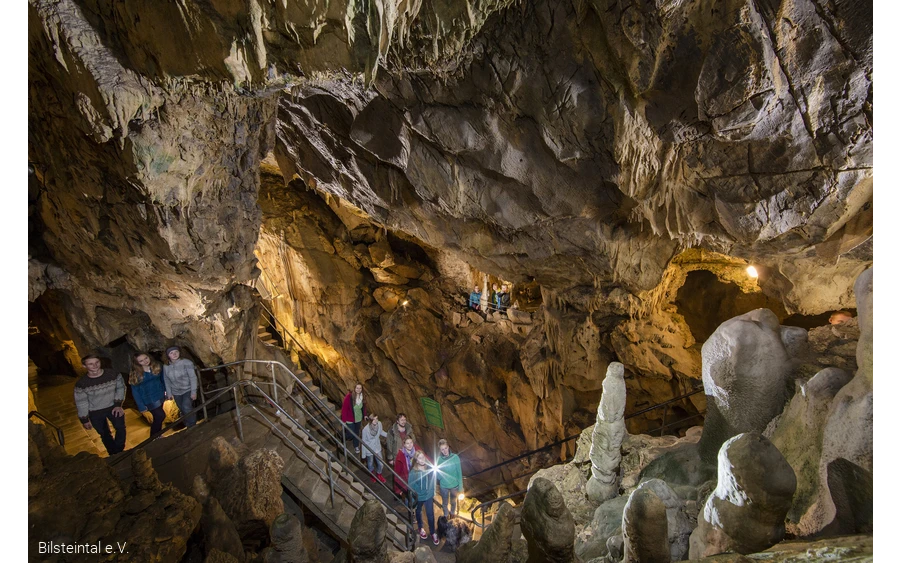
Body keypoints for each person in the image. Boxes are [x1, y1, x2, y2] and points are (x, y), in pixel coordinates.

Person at [74, 354, 127, 455]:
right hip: (95, 412)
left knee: (120, 428)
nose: (95, 366)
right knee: (104, 434)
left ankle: (119, 450)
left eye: (97, 362)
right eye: (90, 364)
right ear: (84, 366)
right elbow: (81, 402)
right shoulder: (82, 384)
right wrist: (84, 419)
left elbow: (120, 388)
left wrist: (118, 404)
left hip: (113, 407)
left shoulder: (113, 374)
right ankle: (113, 453)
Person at [129, 352, 168, 437]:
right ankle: (154, 436)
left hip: (160, 394)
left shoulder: (156, 366)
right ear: (137, 363)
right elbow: (135, 391)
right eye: (141, 361)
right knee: (160, 416)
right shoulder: (136, 374)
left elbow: (163, 379)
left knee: (158, 417)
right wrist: (141, 406)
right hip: (149, 399)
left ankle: (158, 434)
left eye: (146, 358)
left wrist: (167, 391)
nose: (145, 361)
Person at [408, 450, 439, 545]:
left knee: (430, 514)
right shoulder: (413, 472)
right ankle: (421, 528)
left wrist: (432, 491)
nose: (422, 460)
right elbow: (410, 486)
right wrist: (413, 500)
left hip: (428, 495)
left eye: (423, 457)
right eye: (420, 458)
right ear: (416, 460)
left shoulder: (429, 468)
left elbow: (433, 479)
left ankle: (433, 532)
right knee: (418, 512)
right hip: (418, 497)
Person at [163, 346, 198, 428]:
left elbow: (193, 377)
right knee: (182, 409)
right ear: (168, 355)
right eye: (171, 353)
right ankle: (187, 424)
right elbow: (166, 379)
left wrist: (193, 391)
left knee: (186, 407)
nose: (174, 354)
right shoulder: (166, 366)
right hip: (176, 391)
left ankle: (192, 425)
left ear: (180, 352)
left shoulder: (187, 363)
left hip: (187, 389)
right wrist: (169, 393)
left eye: (176, 352)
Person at [436, 439, 464, 518]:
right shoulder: (439, 460)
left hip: (454, 485)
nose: (444, 451)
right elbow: (437, 475)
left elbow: (459, 473)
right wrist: (440, 476)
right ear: (440, 450)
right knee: (445, 503)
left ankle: (452, 515)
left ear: (448, 447)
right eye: (442, 449)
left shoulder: (455, 458)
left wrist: (461, 487)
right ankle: (445, 515)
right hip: (444, 486)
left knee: (453, 502)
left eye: (445, 448)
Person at [361, 413, 389, 483]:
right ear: (370, 420)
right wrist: (363, 455)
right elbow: (363, 442)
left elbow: (381, 432)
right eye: (374, 419)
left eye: (377, 418)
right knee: (370, 464)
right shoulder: (365, 430)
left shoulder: (379, 424)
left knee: (381, 464)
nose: (376, 421)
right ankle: (372, 474)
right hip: (369, 449)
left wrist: (388, 435)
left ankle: (379, 474)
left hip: (377, 447)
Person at [341, 383, 367, 453]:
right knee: (351, 434)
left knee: (356, 432)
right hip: (350, 418)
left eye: (360, 388)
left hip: (358, 418)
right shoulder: (349, 397)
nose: (358, 390)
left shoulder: (362, 396)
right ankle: (343, 436)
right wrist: (344, 420)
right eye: (357, 388)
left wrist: (365, 415)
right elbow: (344, 409)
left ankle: (356, 446)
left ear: (362, 389)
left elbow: (364, 407)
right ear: (354, 389)